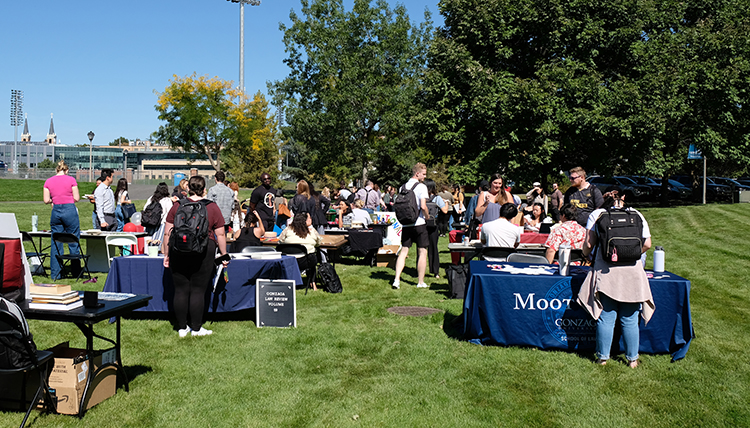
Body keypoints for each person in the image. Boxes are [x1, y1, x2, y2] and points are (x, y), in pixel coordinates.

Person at [578, 186, 654, 368]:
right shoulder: (637, 214)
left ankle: (603, 358)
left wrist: (586, 254)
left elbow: (588, 244)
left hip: (607, 271)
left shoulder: (597, 214)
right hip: (632, 271)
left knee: (606, 316)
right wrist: (631, 253)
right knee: (630, 318)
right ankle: (632, 360)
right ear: (624, 197)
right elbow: (648, 244)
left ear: (605, 197)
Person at [162, 176, 229, 338]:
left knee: (180, 289)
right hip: (204, 250)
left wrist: (166, 254)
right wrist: (224, 254)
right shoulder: (212, 207)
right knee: (198, 290)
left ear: (187, 189)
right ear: (204, 190)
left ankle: (182, 328)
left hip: (178, 250)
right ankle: (197, 328)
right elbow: (220, 233)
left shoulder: (177, 206)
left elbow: (167, 232)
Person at [393, 163, 430, 290]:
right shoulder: (421, 187)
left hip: (406, 223)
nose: (425, 176)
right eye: (423, 174)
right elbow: (423, 206)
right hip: (419, 223)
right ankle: (420, 282)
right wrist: (427, 217)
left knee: (403, 251)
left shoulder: (402, 187)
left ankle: (396, 279)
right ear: (417, 173)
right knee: (422, 252)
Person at [43, 160, 81, 280]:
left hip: (56, 210)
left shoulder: (48, 181)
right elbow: (77, 198)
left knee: (56, 241)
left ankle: (56, 274)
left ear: (56, 170)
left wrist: (54, 200)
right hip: (69, 209)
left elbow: (46, 200)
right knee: (73, 240)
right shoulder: (71, 180)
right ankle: (75, 272)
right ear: (67, 170)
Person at [279, 212, 322, 290]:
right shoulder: (312, 231)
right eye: (309, 218)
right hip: (305, 261)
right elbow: (319, 242)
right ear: (304, 221)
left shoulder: (288, 230)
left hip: (288, 260)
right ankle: (312, 282)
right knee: (312, 256)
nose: (311, 219)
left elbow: (280, 240)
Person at [422, 179, 449, 278]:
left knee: (421, 249)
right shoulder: (437, 198)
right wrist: (446, 203)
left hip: (422, 224)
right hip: (433, 225)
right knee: (433, 248)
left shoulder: (422, 198)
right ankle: (435, 271)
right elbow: (445, 211)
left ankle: (419, 270)